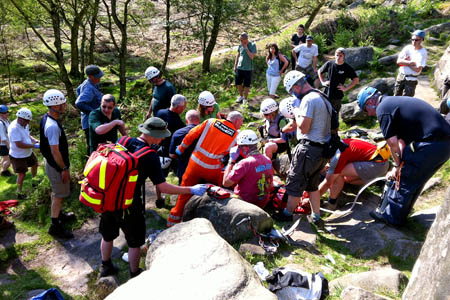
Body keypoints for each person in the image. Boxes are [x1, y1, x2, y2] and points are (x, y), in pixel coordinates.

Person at [98, 117, 207, 278]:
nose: (163, 138)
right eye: (162, 135)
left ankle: (105, 266)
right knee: (134, 243)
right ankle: (135, 274)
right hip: (130, 204)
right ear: (154, 135)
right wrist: (190, 189)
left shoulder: (122, 140)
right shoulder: (150, 156)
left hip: (108, 198)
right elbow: (163, 187)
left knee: (107, 235)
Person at [357, 86, 450, 226]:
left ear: (370, 102)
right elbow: (401, 142)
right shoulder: (393, 103)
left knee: (405, 175)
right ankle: (403, 214)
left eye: (365, 110)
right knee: (417, 178)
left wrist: (397, 166)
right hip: (444, 144)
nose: (368, 114)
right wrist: (399, 164)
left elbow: (392, 142)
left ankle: (391, 218)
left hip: (432, 142)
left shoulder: (382, 109)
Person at [273, 71, 333, 226]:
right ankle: (316, 216)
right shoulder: (320, 96)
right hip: (323, 150)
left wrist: (296, 111)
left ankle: (287, 214)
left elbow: (304, 127)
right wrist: (286, 128)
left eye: (292, 90)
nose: (293, 94)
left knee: (295, 181)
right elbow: (304, 123)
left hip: (309, 149)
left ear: (296, 86)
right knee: (312, 185)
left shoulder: (308, 100)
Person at [167, 111, 244, 227]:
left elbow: (192, 134)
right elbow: (236, 153)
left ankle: (173, 220)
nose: (241, 125)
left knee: (185, 191)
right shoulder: (236, 136)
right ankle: (208, 220)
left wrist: (181, 148)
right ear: (237, 121)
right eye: (241, 123)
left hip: (194, 164)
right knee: (214, 193)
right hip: (212, 169)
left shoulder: (210, 122)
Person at [40, 89, 75, 239]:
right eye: (62, 103)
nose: (65, 105)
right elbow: (55, 152)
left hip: (52, 164)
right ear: (55, 106)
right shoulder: (52, 126)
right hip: (56, 166)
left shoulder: (46, 118)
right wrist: (64, 169)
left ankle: (59, 215)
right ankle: (55, 226)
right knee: (59, 194)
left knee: (57, 192)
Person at [318, 138, 391, 210]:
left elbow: (328, 182)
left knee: (338, 174)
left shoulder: (338, 155)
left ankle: (331, 203)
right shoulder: (340, 143)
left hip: (376, 165)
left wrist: (311, 198)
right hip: (381, 163)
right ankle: (378, 182)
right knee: (347, 179)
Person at [222, 130, 273, 208]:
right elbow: (271, 185)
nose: (238, 149)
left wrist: (231, 161)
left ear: (245, 148)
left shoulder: (245, 163)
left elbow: (225, 183)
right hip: (262, 203)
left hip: (245, 204)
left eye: (239, 146)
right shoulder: (267, 160)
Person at [154, 94, 187, 207]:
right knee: (181, 175)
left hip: (159, 150)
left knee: (160, 177)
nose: (184, 109)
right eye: (184, 107)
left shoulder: (159, 113)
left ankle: (159, 199)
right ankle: (182, 200)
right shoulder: (178, 122)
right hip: (172, 153)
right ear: (178, 107)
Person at [8, 108, 39, 199]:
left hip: (28, 152)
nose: (28, 123)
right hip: (18, 155)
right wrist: (34, 146)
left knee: (35, 165)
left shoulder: (24, 124)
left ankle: (34, 182)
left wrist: (35, 141)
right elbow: (19, 144)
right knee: (22, 174)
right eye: (26, 121)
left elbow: (27, 135)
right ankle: (19, 192)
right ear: (20, 118)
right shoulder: (14, 128)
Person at [318, 48, 359, 114]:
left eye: (340, 56)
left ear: (344, 56)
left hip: (337, 96)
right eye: (337, 55)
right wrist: (322, 82)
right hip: (326, 93)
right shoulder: (329, 63)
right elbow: (319, 71)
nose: (338, 57)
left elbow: (356, 80)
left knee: (334, 115)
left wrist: (345, 88)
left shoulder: (347, 67)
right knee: (324, 113)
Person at [75, 65, 104, 155]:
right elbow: (79, 103)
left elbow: (78, 90)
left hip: (92, 123)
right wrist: (93, 113)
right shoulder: (89, 88)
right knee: (94, 148)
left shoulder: (90, 83)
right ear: (91, 77)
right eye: (97, 77)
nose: (99, 79)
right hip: (91, 124)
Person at [169, 110, 201, 184]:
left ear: (186, 121)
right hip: (201, 170)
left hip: (184, 169)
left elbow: (172, 155)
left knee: (183, 191)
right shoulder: (205, 133)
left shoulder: (178, 133)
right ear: (199, 120)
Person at [394, 30, 428, 97]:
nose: (414, 41)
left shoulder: (423, 52)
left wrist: (405, 62)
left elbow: (417, 69)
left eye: (416, 40)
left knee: (407, 100)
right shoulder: (407, 48)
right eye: (412, 39)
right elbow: (398, 61)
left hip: (411, 79)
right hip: (400, 77)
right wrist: (410, 63)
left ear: (422, 40)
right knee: (396, 97)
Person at [234, 32, 257, 104]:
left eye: (241, 40)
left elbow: (252, 57)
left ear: (246, 39)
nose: (240, 42)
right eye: (240, 40)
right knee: (238, 83)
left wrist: (246, 48)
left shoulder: (252, 45)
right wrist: (235, 65)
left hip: (248, 68)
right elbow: (238, 55)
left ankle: (245, 99)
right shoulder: (240, 45)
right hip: (239, 67)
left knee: (247, 84)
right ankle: (241, 96)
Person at [0, 105, 11, 177]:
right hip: (4, 145)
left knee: (4, 159)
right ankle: (4, 172)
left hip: (7, 143)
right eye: (5, 113)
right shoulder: (0, 123)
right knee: (9, 160)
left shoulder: (7, 120)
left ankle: (2, 169)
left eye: (7, 112)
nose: (7, 113)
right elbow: (2, 137)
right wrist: (8, 146)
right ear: (0, 114)